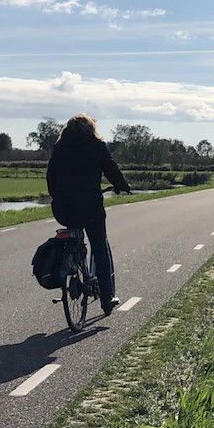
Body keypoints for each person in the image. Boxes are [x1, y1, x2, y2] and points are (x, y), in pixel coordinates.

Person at [46, 114, 130, 313]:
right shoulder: (96, 146)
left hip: (64, 209)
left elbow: (50, 176)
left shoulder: (60, 147)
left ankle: (73, 265)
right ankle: (107, 297)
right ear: (91, 129)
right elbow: (110, 169)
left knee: (73, 236)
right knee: (99, 246)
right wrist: (122, 185)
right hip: (91, 208)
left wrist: (57, 196)